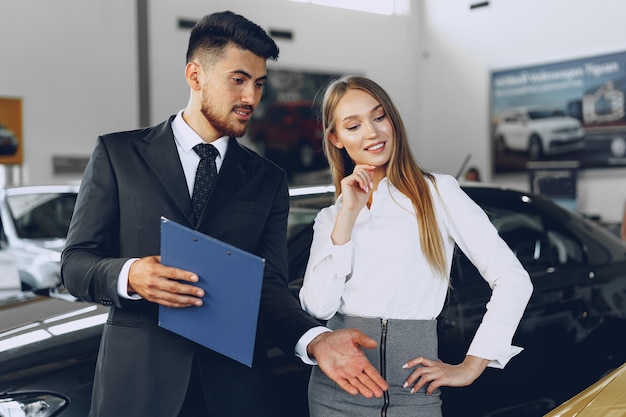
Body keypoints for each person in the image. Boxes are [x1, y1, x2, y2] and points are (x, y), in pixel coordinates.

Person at [61, 12, 387, 417]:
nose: (252, 97)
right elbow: (75, 265)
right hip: (138, 387)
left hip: (235, 390)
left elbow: (269, 288)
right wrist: (130, 275)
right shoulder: (118, 155)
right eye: (238, 80)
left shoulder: (267, 179)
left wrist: (316, 339)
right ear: (195, 76)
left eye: (259, 83)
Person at [299, 75, 533, 417]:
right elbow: (318, 307)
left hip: (414, 395)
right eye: (353, 126)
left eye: (379, 117)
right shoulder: (331, 217)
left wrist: (470, 365)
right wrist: (347, 215)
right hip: (334, 395)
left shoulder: (438, 193)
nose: (372, 133)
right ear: (335, 138)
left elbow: (513, 279)